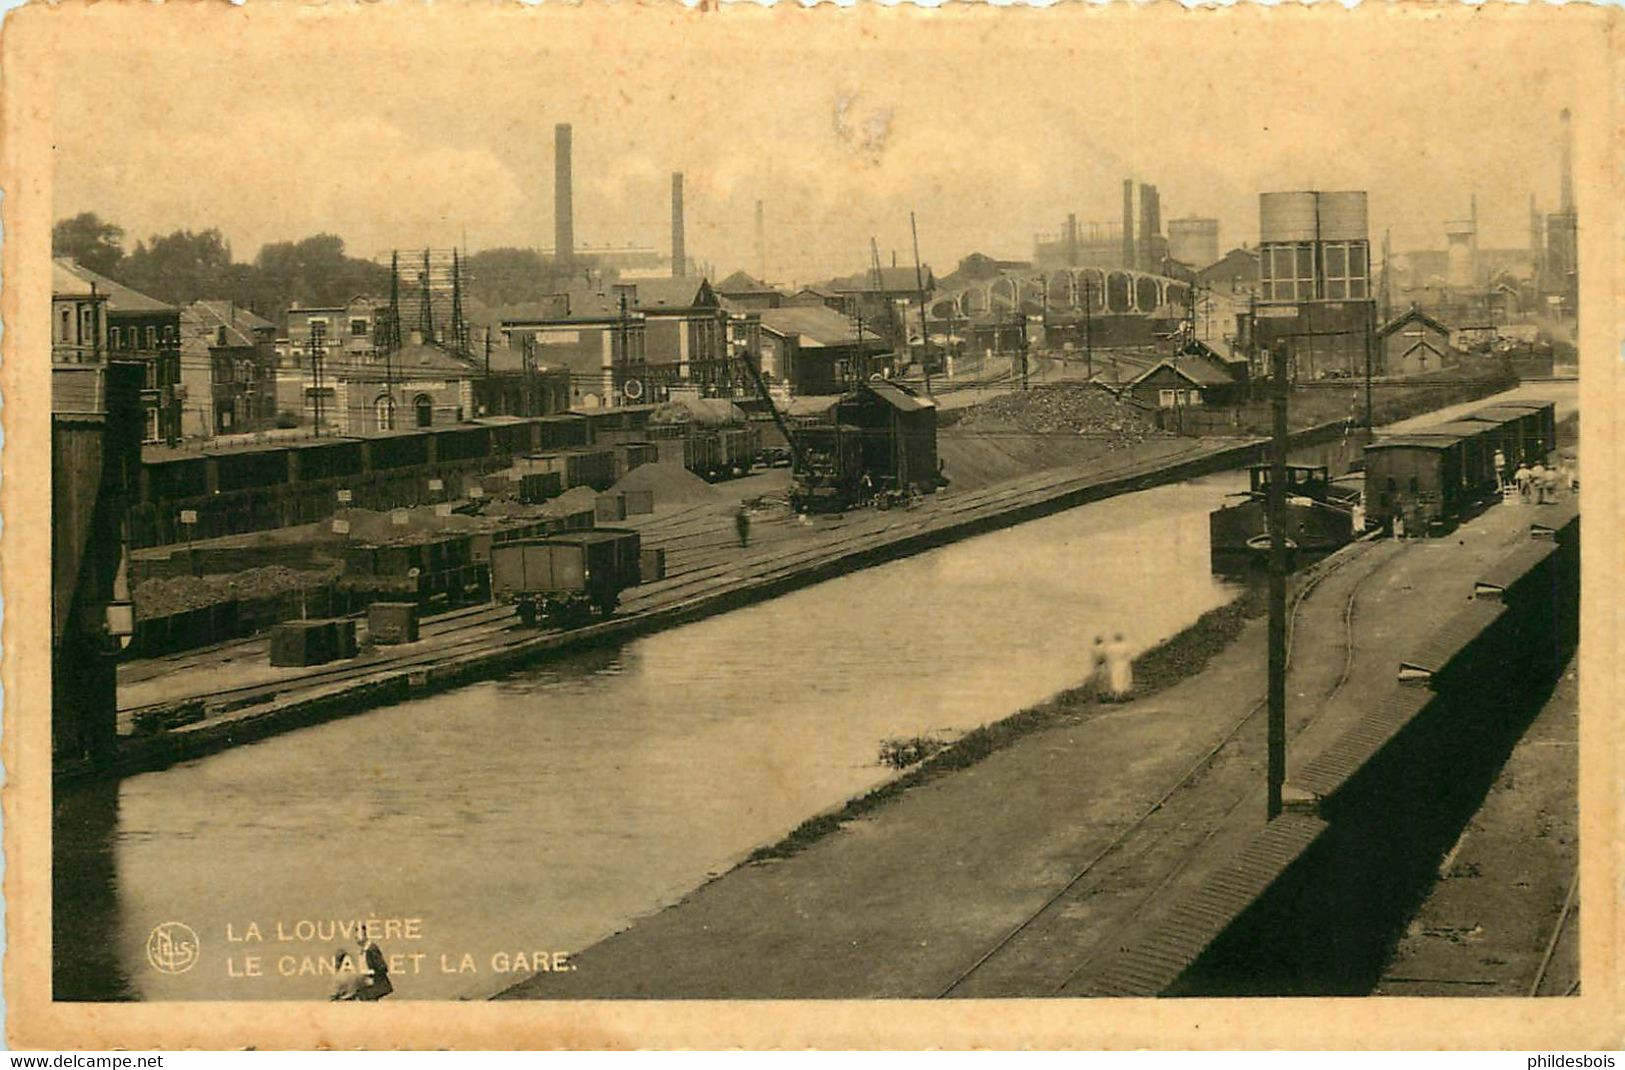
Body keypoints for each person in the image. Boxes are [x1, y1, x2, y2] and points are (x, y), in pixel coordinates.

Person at [354, 932, 394, 1001]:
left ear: (364, 936)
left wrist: (370, 974)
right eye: (355, 938)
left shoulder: (371, 949)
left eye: (358, 937)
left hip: (374, 984)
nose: (356, 940)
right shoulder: (363, 950)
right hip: (367, 983)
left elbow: (382, 967)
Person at [1104, 632, 1134, 702]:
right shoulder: (1125, 646)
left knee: (1116, 678)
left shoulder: (1111, 647)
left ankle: (1117, 695)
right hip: (1123, 663)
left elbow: (1107, 655)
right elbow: (1129, 654)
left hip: (1115, 664)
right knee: (1124, 678)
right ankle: (1123, 695)